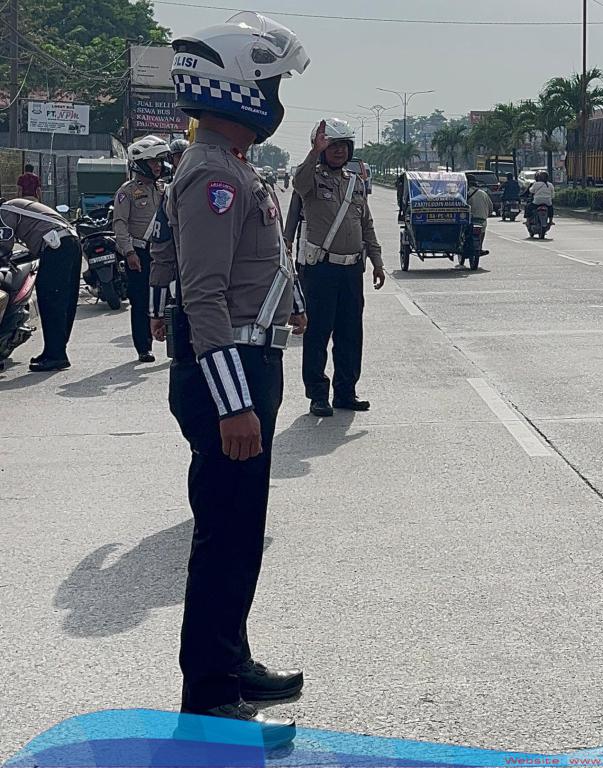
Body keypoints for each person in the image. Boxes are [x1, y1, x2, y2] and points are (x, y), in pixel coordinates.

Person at [164, 12, 309, 742]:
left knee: (242, 531)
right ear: (240, 90)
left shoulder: (232, 163)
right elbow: (204, 295)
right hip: (230, 376)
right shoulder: (212, 174)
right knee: (224, 535)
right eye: (272, 81)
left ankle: (231, 660)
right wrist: (234, 404)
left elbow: (254, 271)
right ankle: (210, 697)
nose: (279, 94)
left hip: (250, 363)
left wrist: (294, 309)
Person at [294, 118, 384, 418]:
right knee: (318, 333)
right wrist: (313, 152)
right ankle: (318, 394)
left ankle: (346, 391)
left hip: (351, 271)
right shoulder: (311, 179)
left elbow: (365, 223)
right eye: (332, 146)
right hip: (321, 270)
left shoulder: (354, 183)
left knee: (350, 334)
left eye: (344, 146)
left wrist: (376, 260)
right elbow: (299, 183)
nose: (339, 151)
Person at [0, 198, 80, 371]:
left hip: (56, 247)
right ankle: (54, 351)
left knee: (50, 301)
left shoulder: (4, 211)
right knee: (64, 301)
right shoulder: (16, 205)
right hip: (69, 242)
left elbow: (3, 243)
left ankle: (56, 355)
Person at [112, 136, 170, 363]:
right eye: (152, 162)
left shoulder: (164, 189)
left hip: (164, 254)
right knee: (141, 302)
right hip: (140, 253)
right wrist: (129, 252)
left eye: (158, 161)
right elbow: (120, 224)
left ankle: (173, 341)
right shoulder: (126, 192)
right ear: (139, 163)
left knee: (169, 298)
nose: (157, 166)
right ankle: (144, 347)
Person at [468, 176, 492, 256]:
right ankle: (480, 247)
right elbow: (490, 208)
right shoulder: (484, 194)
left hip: (468, 221)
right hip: (482, 220)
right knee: (482, 232)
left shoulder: (465, 193)